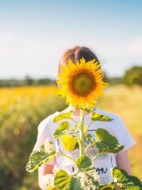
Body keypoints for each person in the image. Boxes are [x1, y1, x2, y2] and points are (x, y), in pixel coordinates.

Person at [33, 46, 136, 189]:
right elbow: (44, 176)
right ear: (60, 83)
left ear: (98, 79)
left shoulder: (113, 122)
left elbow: (125, 175)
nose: (80, 85)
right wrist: (54, 181)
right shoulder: (50, 125)